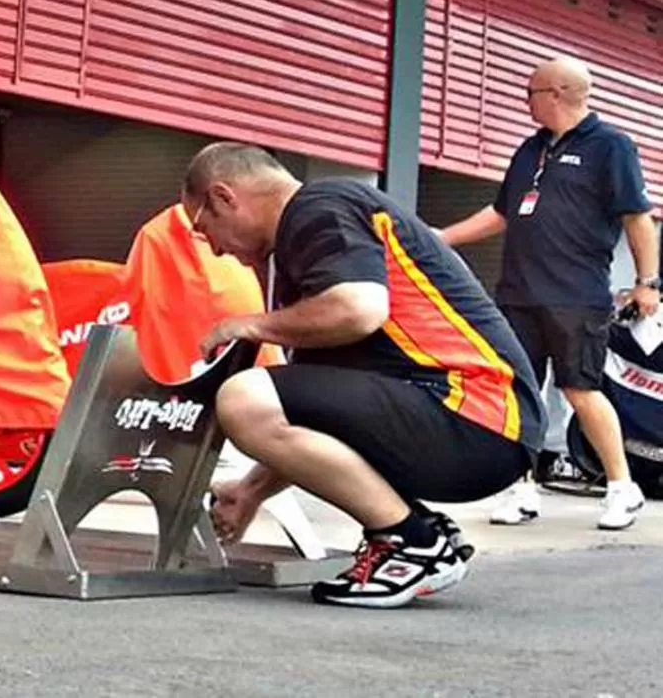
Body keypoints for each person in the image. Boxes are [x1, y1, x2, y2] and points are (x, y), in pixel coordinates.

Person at [184, 142, 546, 609]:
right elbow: (313, 419)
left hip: (475, 414)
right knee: (270, 397)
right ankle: (419, 533)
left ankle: (411, 543)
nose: (214, 246)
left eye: (204, 226)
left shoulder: (319, 209)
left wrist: (250, 323)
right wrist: (250, 491)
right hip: (478, 430)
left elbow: (359, 308)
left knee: (242, 397)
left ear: (225, 196)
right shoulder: (309, 251)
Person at [439, 56, 660, 530]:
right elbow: (501, 213)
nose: (525, 100)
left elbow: (637, 218)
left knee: (580, 389)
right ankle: (521, 487)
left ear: (556, 94)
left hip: (577, 296)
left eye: (530, 92)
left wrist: (647, 283)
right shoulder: (530, 149)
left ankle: (623, 487)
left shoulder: (611, 147)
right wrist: (441, 238)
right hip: (518, 293)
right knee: (517, 391)